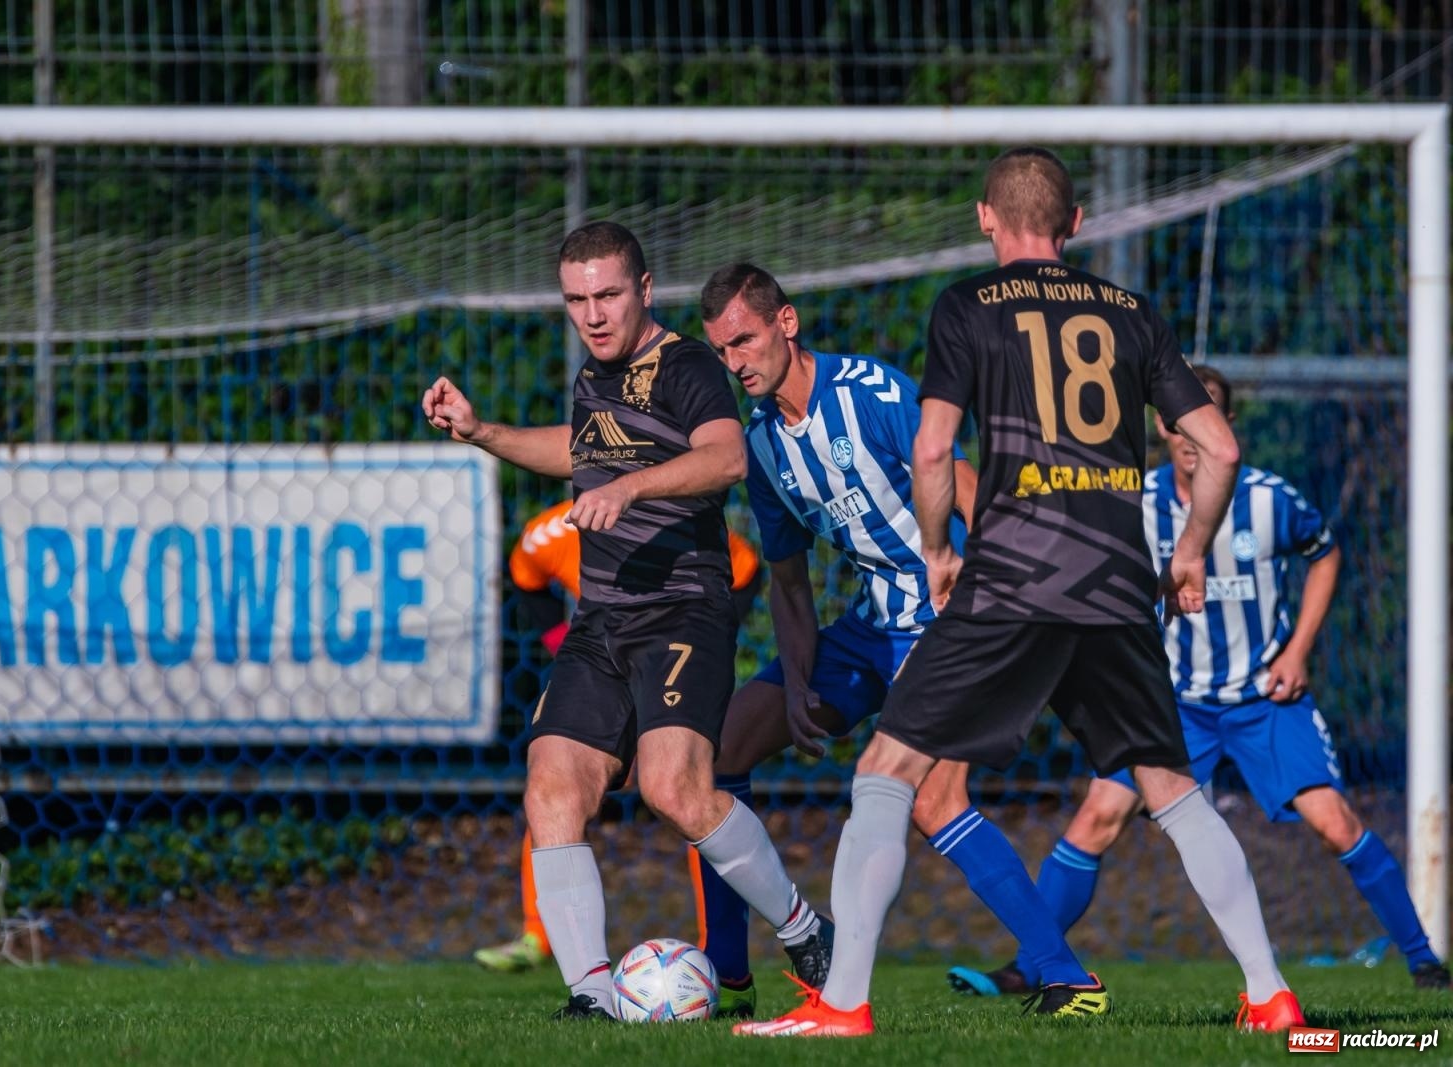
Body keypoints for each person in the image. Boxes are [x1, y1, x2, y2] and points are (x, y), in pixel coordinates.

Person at [737, 147, 1301, 1038]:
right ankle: (1272, 993)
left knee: (885, 775)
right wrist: (1189, 550)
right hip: (1118, 583)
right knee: (1171, 788)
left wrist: (934, 548)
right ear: (1075, 225)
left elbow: (932, 450)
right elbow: (1221, 449)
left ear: (985, 219)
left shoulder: (966, 307)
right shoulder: (1132, 312)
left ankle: (843, 1003)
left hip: (1013, 577)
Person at [423, 221, 832, 1020]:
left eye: (608, 294)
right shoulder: (593, 377)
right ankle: (590, 996)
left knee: (673, 788)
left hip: (682, 606)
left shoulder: (686, 368)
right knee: (550, 787)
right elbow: (577, 451)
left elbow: (725, 458)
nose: (593, 314)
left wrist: (631, 488)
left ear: (645, 290)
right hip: (603, 618)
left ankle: (806, 930)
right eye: (577, 299)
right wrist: (483, 433)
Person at [945, 365, 1452, 997]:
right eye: (1179, 420)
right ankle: (1033, 965)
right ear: (1162, 426)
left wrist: (1297, 652)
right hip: (1178, 705)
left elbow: (1326, 554)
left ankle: (1423, 960)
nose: (1191, 434)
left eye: (1205, 416)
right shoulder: (1137, 502)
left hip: (1263, 701)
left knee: (1335, 822)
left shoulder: (1269, 500)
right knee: (1098, 814)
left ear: (1226, 425)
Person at [694, 262, 1076, 1020]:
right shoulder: (762, 444)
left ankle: (1065, 976)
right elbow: (789, 580)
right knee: (718, 751)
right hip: (872, 628)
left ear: (786, 324)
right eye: (722, 351)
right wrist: (798, 680)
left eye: (744, 340)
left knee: (936, 799)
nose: (736, 362)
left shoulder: (868, 393)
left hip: (949, 620)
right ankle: (726, 977)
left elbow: (964, 481)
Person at [474, 499, 762, 974]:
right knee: (553, 790)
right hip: (602, 669)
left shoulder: (675, 517)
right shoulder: (549, 532)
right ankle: (538, 936)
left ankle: (726, 945)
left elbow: (747, 568)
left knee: (686, 795)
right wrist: (561, 645)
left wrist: (716, 637)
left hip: (675, 662)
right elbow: (524, 573)